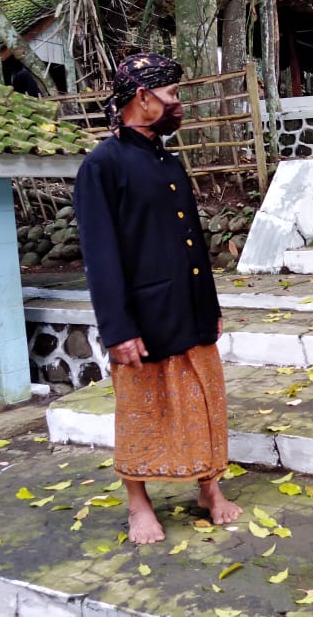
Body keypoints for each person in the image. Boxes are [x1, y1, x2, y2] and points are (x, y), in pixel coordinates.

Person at [74, 52, 242, 544]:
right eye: (171, 95)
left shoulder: (167, 160)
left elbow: (193, 241)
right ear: (143, 98)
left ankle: (209, 489)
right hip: (142, 320)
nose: (178, 104)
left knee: (204, 403)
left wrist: (210, 307)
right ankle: (138, 505)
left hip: (190, 309)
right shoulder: (102, 166)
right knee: (141, 413)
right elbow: (100, 256)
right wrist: (118, 330)